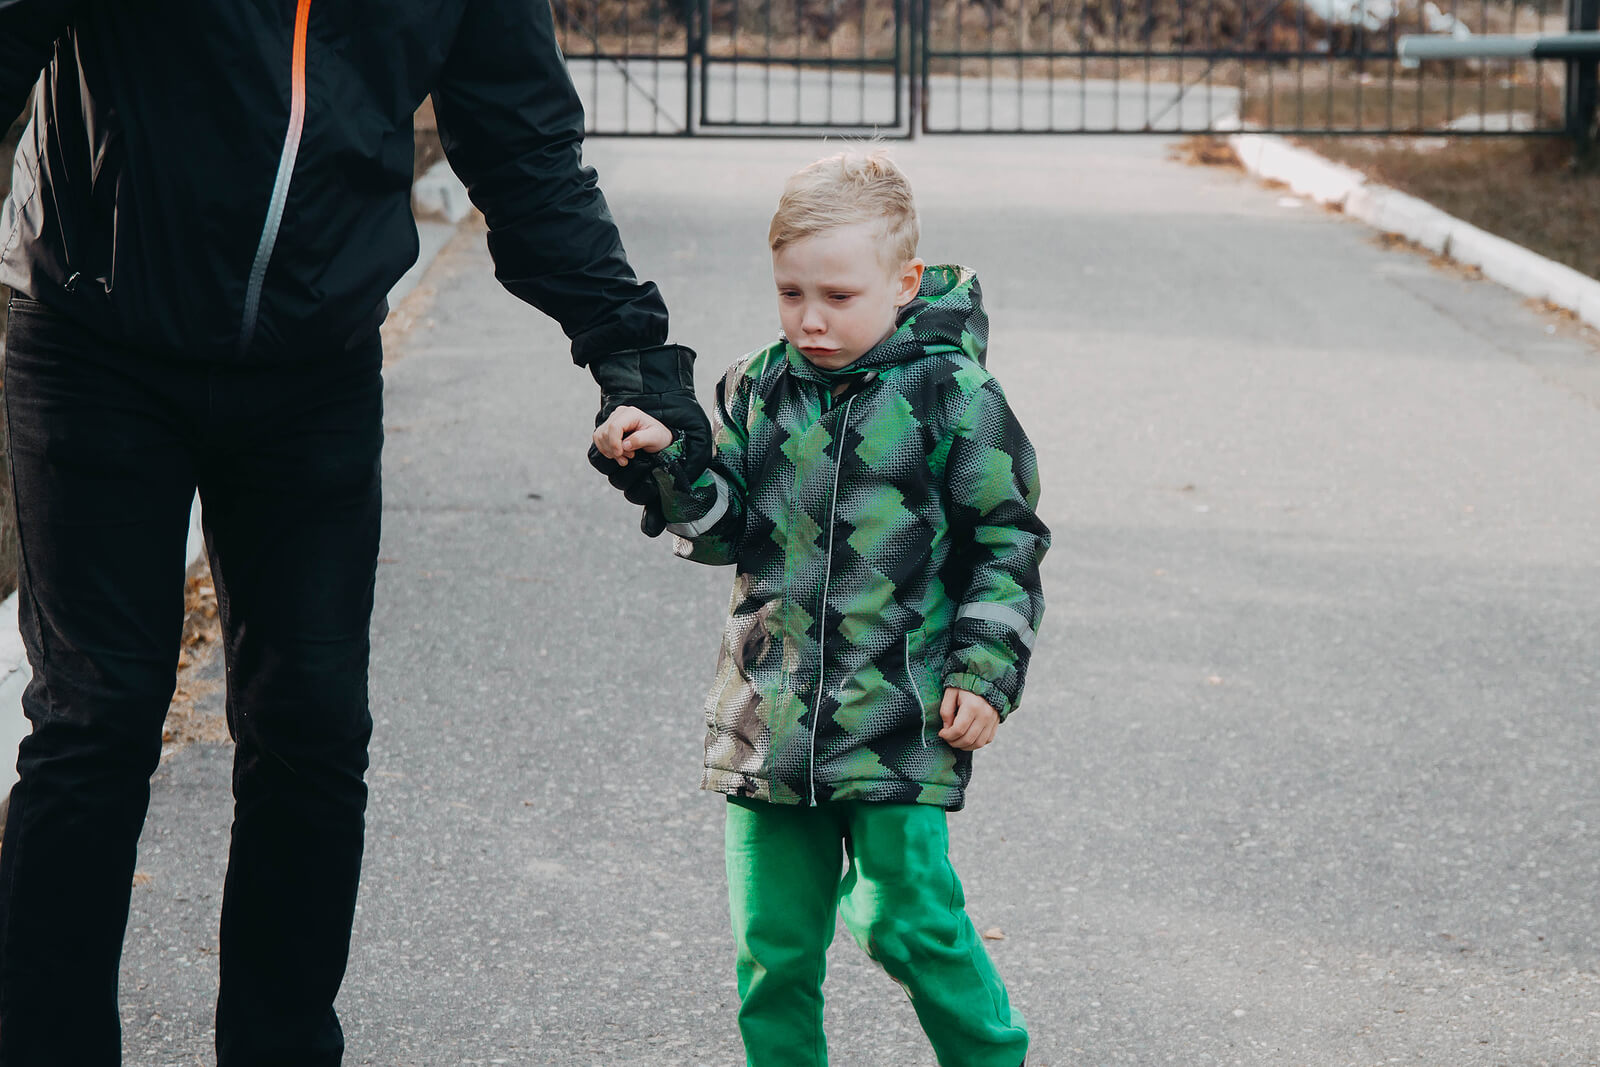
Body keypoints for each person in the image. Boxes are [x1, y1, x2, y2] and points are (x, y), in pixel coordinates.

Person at [0, 2, 709, 1064]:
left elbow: (522, 144)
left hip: (312, 362)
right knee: (94, 721)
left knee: (313, 726)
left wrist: (632, 353)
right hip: (93, 337)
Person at [592, 150, 1049, 1067]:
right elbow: (726, 530)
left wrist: (985, 674)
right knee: (774, 950)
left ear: (904, 281)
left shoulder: (954, 397)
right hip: (770, 718)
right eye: (791, 292)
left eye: (838, 296)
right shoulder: (759, 386)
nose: (810, 318)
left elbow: (1009, 540)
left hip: (900, 716)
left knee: (904, 918)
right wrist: (666, 466)